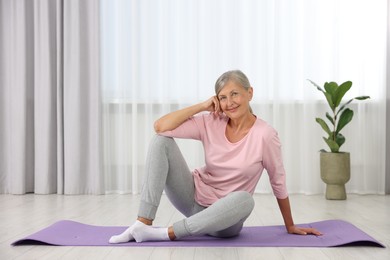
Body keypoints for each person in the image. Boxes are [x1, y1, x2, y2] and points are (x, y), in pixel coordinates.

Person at [109, 70, 322, 243]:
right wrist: (202, 106)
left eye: (235, 94)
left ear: (250, 93)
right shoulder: (211, 121)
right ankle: (142, 224)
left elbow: (278, 180)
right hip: (192, 201)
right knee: (161, 141)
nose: (229, 102)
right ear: (216, 101)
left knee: (245, 200)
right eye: (223, 97)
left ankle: (165, 233)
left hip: (225, 221)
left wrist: (290, 225)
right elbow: (160, 127)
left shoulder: (265, 135)